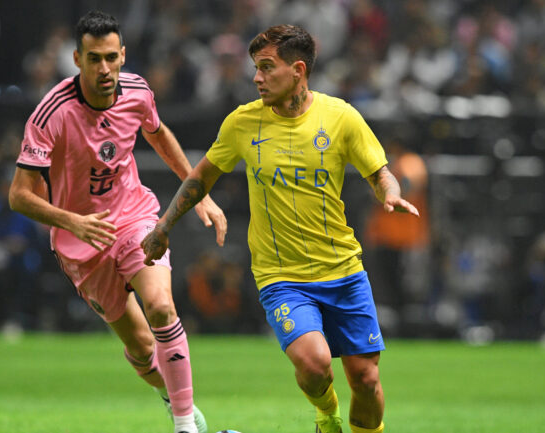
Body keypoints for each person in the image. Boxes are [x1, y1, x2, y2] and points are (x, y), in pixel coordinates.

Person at [142, 24, 419, 433]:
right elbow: (200, 178)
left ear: (298, 70)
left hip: (343, 271)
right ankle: (327, 417)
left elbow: (380, 173)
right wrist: (164, 226)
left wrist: (389, 194)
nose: (256, 77)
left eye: (267, 67)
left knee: (366, 379)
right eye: (256, 67)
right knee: (315, 364)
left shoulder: (340, 117)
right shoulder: (242, 123)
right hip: (282, 277)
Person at [8, 11, 225, 433]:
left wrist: (200, 194)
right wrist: (72, 221)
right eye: (93, 59)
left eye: (111, 57)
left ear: (123, 55)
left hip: (133, 217)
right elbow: (19, 195)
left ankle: (185, 426)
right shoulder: (51, 112)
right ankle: (172, 398)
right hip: (79, 242)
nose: (104, 68)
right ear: (77, 58)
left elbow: (158, 134)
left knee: (161, 307)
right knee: (143, 349)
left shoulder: (138, 92)